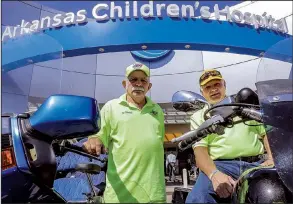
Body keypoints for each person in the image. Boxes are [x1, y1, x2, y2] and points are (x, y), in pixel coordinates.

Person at [185, 69, 274, 203]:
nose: (213, 90)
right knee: (198, 199)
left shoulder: (244, 106)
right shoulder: (199, 116)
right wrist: (214, 174)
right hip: (221, 165)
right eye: (207, 87)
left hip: (256, 164)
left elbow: (267, 134)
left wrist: (272, 158)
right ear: (201, 92)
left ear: (224, 84)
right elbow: (200, 152)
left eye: (217, 84)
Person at [83, 62, 166, 203]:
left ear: (149, 86)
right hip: (121, 196)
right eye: (133, 79)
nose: (138, 83)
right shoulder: (111, 107)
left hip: (155, 195)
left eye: (143, 80)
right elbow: (98, 135)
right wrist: (94, 139)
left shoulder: (157, 110)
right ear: (124, 84)